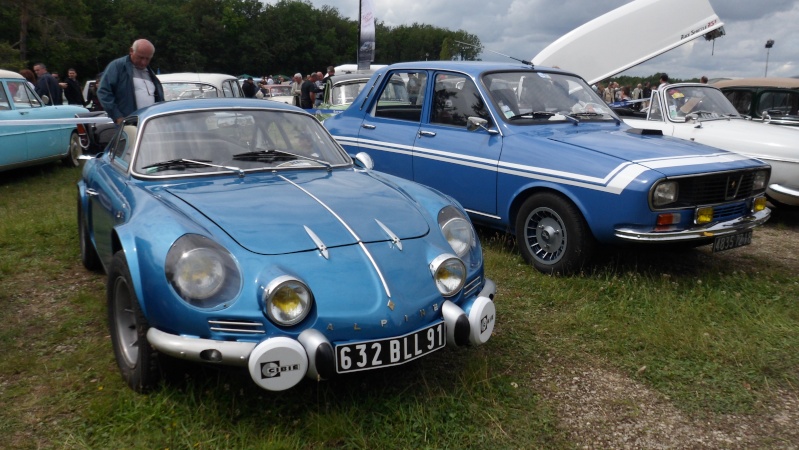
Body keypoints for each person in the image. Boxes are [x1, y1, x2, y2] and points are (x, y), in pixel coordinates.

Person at [98, 38, 165, 125]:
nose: (143, 62)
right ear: (131, 51)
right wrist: (117, 116)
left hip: (148, 124)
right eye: (140, 57)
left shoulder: (150, 73)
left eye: (147, 59)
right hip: (128, 124)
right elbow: (103, 92)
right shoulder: (117, 67)